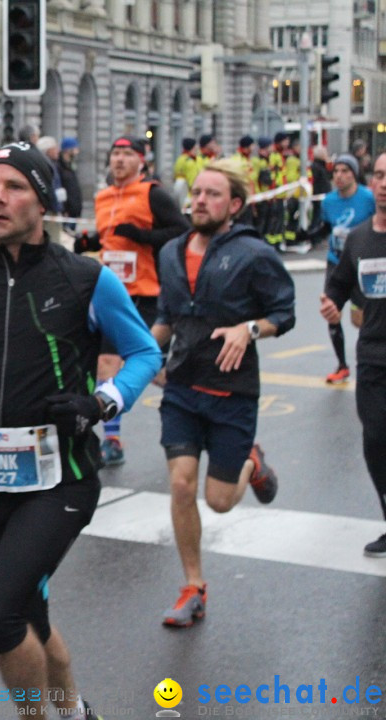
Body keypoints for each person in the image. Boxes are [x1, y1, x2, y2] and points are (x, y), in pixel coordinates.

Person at [0, 142, 161, 718]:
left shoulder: (84, 278)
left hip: (62, 478)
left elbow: (144, 353)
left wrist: (101, 402)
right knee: (30, 616)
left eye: (14, 186)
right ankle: (75, 712)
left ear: (42, 200)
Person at [151, 158, 295, 627]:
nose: (199, 200)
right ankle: (193, 586)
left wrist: (249, 329)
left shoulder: (253, 252)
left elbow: (284, 312)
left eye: (213, 194)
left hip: (232, 390)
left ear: (234, 205)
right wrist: (146, 355)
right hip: (183, 387)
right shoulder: (171, 252)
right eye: (196, 191)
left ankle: (252, 460)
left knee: (218, 500)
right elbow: (167, 317)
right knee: (180, 484)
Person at [77, 136, 189, 465]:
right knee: (106, 364)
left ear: (141, 160)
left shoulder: (152, 194)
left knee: (152, 367)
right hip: (111, 293)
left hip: (147, 292)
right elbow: (111, 236)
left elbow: (182, 231)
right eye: (115, 153)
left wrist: (143, 236)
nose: (120, 160)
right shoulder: (102, 197)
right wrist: (90, 240)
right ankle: (112, 441)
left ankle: (194, 406)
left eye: (127, 154)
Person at [322, 152, 386, 557]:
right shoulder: (359, 238)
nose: (384, 184)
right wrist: (332, 304)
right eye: (379, 176)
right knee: (376, 439)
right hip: (374, 358)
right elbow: (340, 286)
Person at [306, 154, 375, 383]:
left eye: (345, 171)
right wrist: (309, 236)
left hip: (362, 265)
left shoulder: (367, 198)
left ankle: (372, 360)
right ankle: (342, 365)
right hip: (335, 264)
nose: (339, 176)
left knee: (365, 317)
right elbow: (327, 227)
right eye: (336, 171)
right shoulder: (329, 201)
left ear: (354, 174)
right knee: (331, 311)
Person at [57, 137, 83, 223]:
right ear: (68, 150)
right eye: (75, 148)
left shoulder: (71, 165)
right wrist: (63, 209)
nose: (77, 151)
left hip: (74, 211)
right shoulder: (59, 167)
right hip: (66, 212)